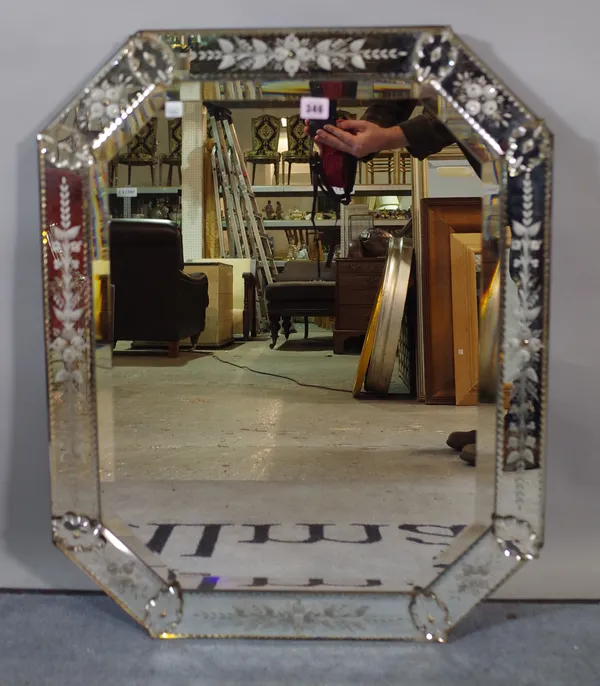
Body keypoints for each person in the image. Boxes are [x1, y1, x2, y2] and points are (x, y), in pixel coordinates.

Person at [305, 100, 537, 469]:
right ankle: (526, 422)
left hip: (545, 157)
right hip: (516, 168)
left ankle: (533, 430)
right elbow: (397, 100)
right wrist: (352, 139)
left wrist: (391, 137)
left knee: (547, 293)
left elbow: (467, 101)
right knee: (532, 285)